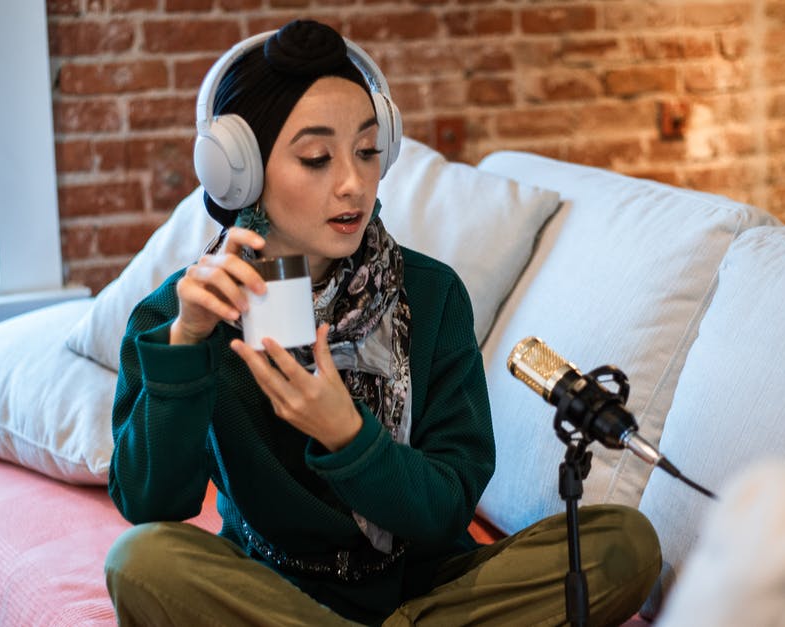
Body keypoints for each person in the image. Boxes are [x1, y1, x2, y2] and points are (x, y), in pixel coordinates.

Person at [104, 19, 660, 626]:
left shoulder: (432, 293)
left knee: (620, 545)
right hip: (275, 594)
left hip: (428, 587)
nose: (353, 183)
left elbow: (448, 506)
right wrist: (186, 344)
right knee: (140, 560)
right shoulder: (182, 315)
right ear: (242, 173)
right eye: (316, 158)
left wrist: (349, 435)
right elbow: (150, 502)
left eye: (368, 151)